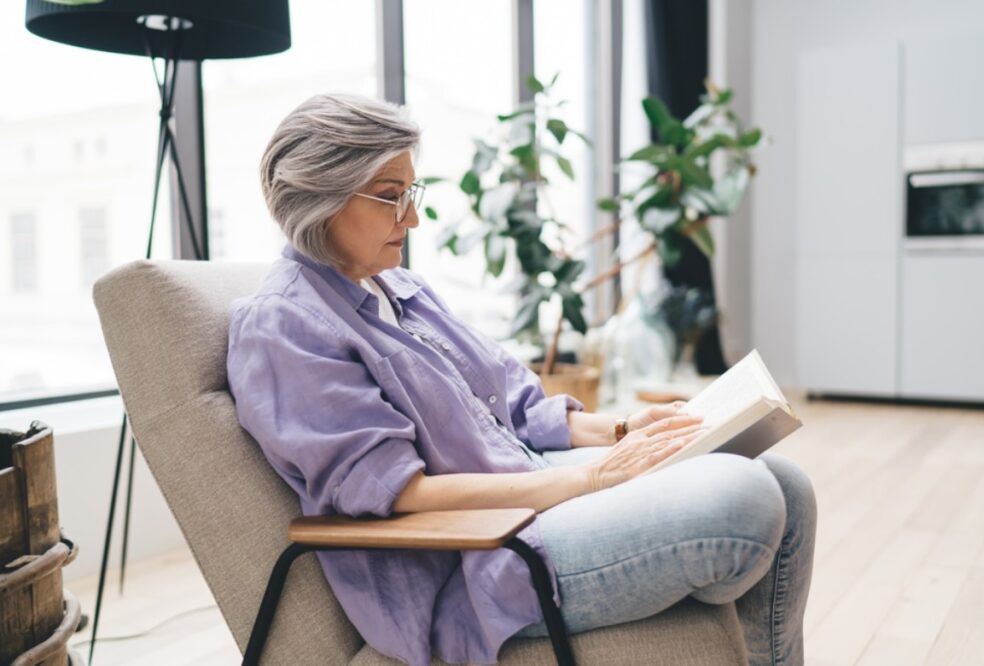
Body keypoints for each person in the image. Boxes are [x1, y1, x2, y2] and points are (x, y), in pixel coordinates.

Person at [226, 93, 816, 666]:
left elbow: (515, 403)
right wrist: (593, 479)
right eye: (389, 197)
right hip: (480, 556)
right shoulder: (284, 326)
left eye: (410, 193)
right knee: (747, 499)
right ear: (320, 198)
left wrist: (622, 428)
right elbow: (403, 494)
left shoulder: (399, 286)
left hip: (531, 488)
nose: (412, 217)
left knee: (788, 484)